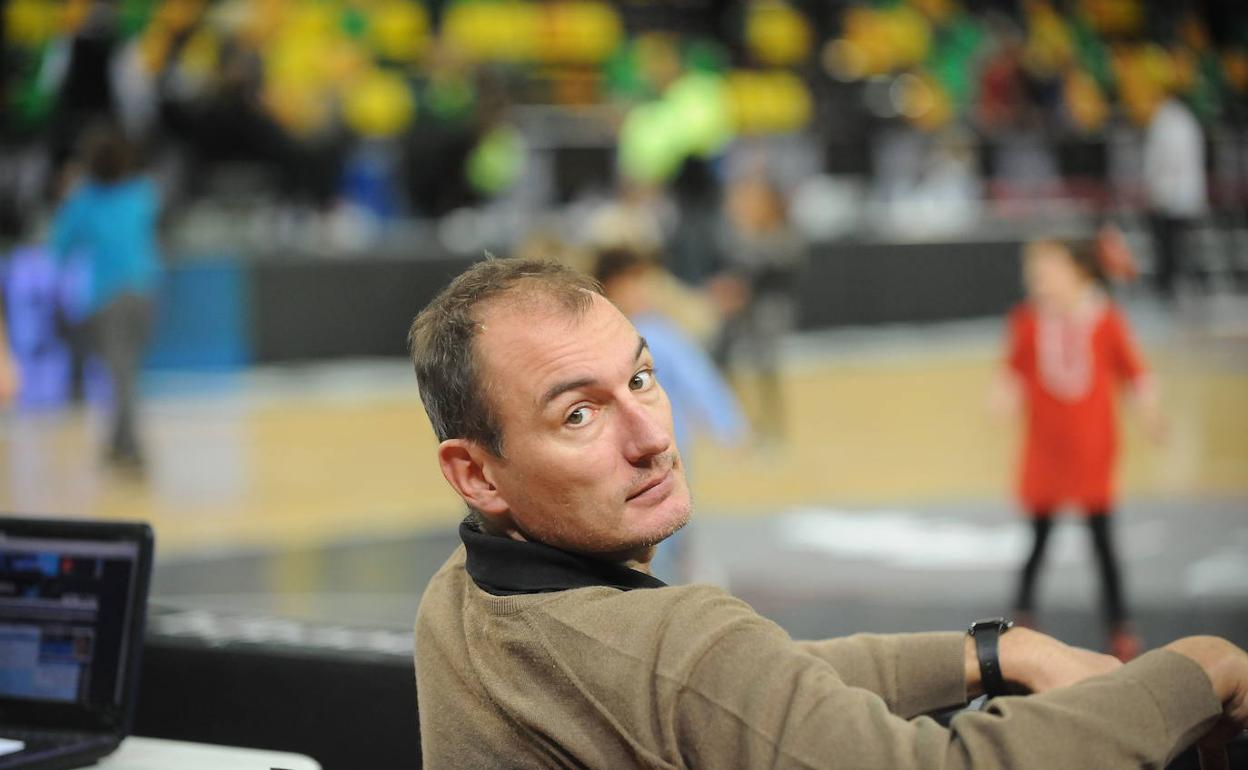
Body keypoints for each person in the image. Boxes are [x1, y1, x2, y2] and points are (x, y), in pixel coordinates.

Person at [410, 258, 1247, 770]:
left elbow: (759, 692)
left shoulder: (457, 602)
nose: (654, 436)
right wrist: (1190, 679)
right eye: (578, 416)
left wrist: (991, 652)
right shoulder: (673, 647)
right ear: (476, 473)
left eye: (639, 379)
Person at [995, 239, 1163, 663]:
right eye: (1034, 273)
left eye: (1048, 271)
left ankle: (1119, 623)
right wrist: (1001, 395)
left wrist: (1149, 412)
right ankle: (1022, 615)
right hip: (1045, 451)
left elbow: (1134, 372)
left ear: (1079, 273)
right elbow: (1012, 369)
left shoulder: (1104, 320)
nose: (1039, 281)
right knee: (1037, 539)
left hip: (1091, 450)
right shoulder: (1028, 322)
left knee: (1102, 541)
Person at [594, 248, 748, 583]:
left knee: (667, 520)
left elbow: (698, 378)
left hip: (668, 446)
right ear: (610, 286)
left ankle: (665, 585)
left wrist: (726, 425)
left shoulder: (657, 331)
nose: (642, 292)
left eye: (644, 283)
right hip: (622, 453)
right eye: (632, 284)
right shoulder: (603, 336)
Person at [49, 123, 161, 472]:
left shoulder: (83, 202)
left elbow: (60, 247)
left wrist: (69, 190)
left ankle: (131, 448)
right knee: (126, 370)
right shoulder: (142, 193)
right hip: (145, 290)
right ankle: (117, 443)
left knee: (120, 372)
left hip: (107, 296)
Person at [1143, 90, 1207, 301]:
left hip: (1172, 196)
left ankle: (1172, 284)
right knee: (1181, 243)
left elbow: (1168, 161)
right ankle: (1188, 282)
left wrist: (1159, 192)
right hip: (1184, 195)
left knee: (1171, 245)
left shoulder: (1170, 122)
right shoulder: (1186, 121)